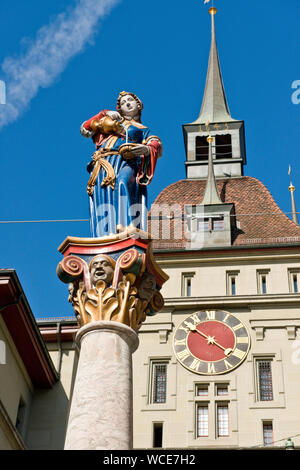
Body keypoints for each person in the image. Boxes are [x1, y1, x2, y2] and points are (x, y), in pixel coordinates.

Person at [81, 91, 162, 237]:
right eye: (123, 103)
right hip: (104, 162)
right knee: (102, 194)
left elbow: (155, 144)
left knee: (123, 182)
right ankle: (105, 233)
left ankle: (128, 224)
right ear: (119, 109)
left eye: (130, 100)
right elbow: (85, 129)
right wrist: (103, 114)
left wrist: (145, 149)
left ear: (139, 105)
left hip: (126, 161)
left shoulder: (143, 129)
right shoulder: (110, 123)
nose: (128, 104)